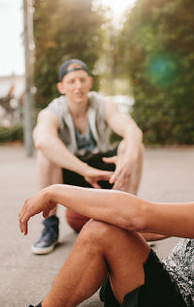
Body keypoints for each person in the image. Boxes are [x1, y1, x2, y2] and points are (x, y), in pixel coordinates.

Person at [19, 82, 194, 306]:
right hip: (175, 289)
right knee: (108, 226)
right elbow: (161, 226)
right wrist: (118, 229)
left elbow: (140, 215)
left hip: (186, 300)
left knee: (102, 231)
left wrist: (55, 191)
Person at [30, 58, 144, 255]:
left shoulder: (104, 104)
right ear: (61, 87)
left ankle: (128, 222)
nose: (78, 86)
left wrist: (130, 157)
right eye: (71, 81)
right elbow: (42, 140)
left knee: (133, 146)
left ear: (90, 82)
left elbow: (131, 129)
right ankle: (50, 225)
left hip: (104, 173)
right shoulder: (52, 111)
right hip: (72, 175)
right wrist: (85, 170)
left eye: (82, 80)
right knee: (45, 155)